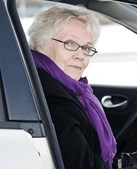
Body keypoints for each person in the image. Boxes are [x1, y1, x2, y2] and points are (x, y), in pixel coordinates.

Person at [28, 6, 117, 169]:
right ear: (42, 44)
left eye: (86, 48)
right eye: (70, 43)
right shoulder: (54, 100)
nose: (80, 55)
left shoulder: (52, 84)